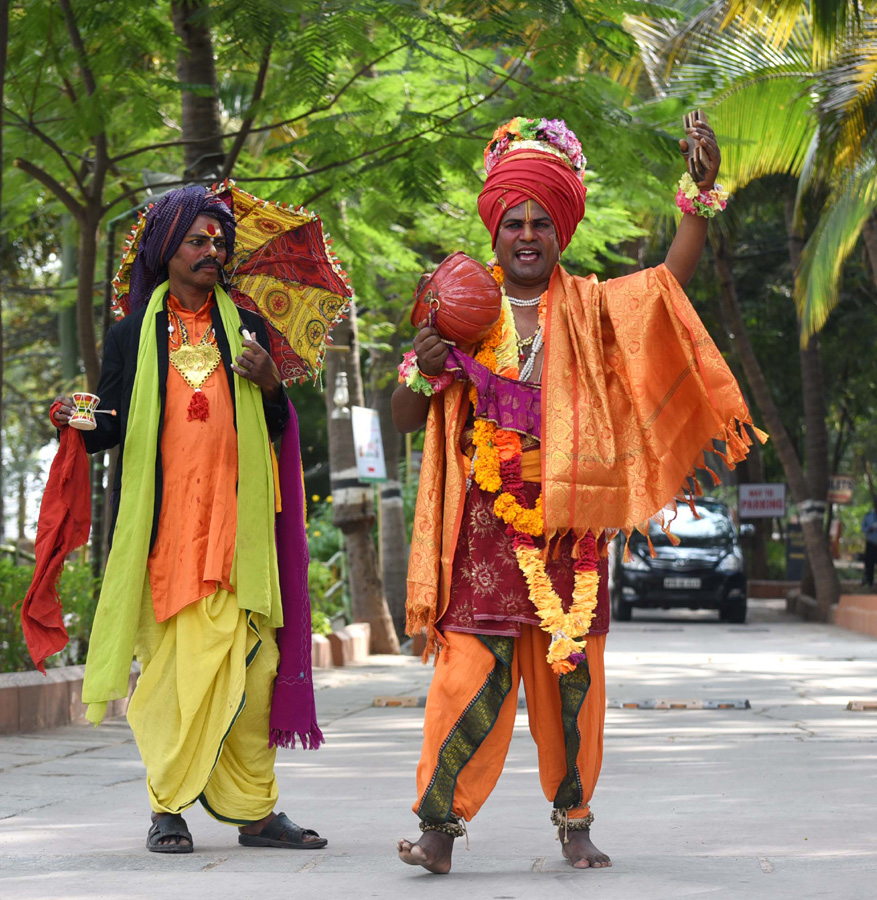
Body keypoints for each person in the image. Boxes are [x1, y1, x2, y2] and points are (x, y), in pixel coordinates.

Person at [391, 116, 759, 874]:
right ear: (494, 230)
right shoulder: (460, 305)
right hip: (483, 531)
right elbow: (403, 416)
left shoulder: (592, 308)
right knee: (468, 672)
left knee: (573, 678)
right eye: (514, 222)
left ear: (560, 229)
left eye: (541, 222)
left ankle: (576, 819)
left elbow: (668, 285)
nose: (527, 234)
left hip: (572, 530)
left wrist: (699, 194)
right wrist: (427, 362)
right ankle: (439, 828)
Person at [53, 186, 326, 854]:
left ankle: (257, 814)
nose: (213, 251)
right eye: (198, 241)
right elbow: (109, 428)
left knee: (253, 675)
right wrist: (72, 417)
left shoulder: (251, 326)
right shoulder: (131, 334)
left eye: (217, 241)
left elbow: (282, 428)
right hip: (169, 537)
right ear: (166, 248)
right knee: (173, 676)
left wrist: (268, 382)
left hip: (241, 535)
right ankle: (166, 808)